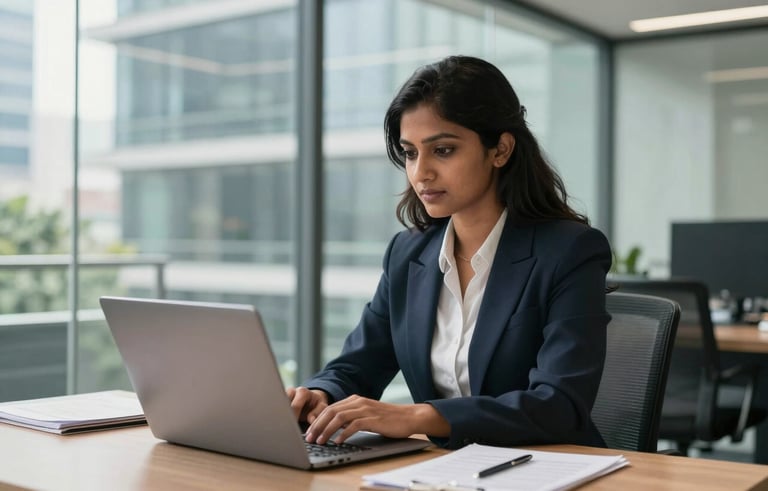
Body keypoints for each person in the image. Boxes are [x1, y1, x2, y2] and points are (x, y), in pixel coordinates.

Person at [287, 55, 612, 450]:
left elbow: (559, 405)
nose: (420, 172)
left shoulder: (569, 251)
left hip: (543, 466)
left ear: (501, 150)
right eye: (409, 153)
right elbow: (358, 365)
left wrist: (418, 416)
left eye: (442, 150)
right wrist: (321, 395)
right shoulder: (408, 254)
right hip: (441, 470)